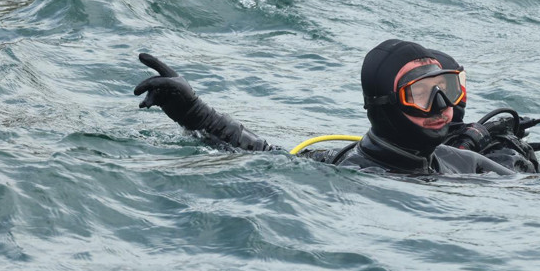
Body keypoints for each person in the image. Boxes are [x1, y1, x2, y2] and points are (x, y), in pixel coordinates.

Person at [134, 39, 519, 177]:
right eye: (420, 93)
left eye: (446, 89)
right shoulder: (348, 170)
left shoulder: (460, 161)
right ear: (384, 104)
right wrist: (194, 112)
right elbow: (264, 157)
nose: (441, 106)